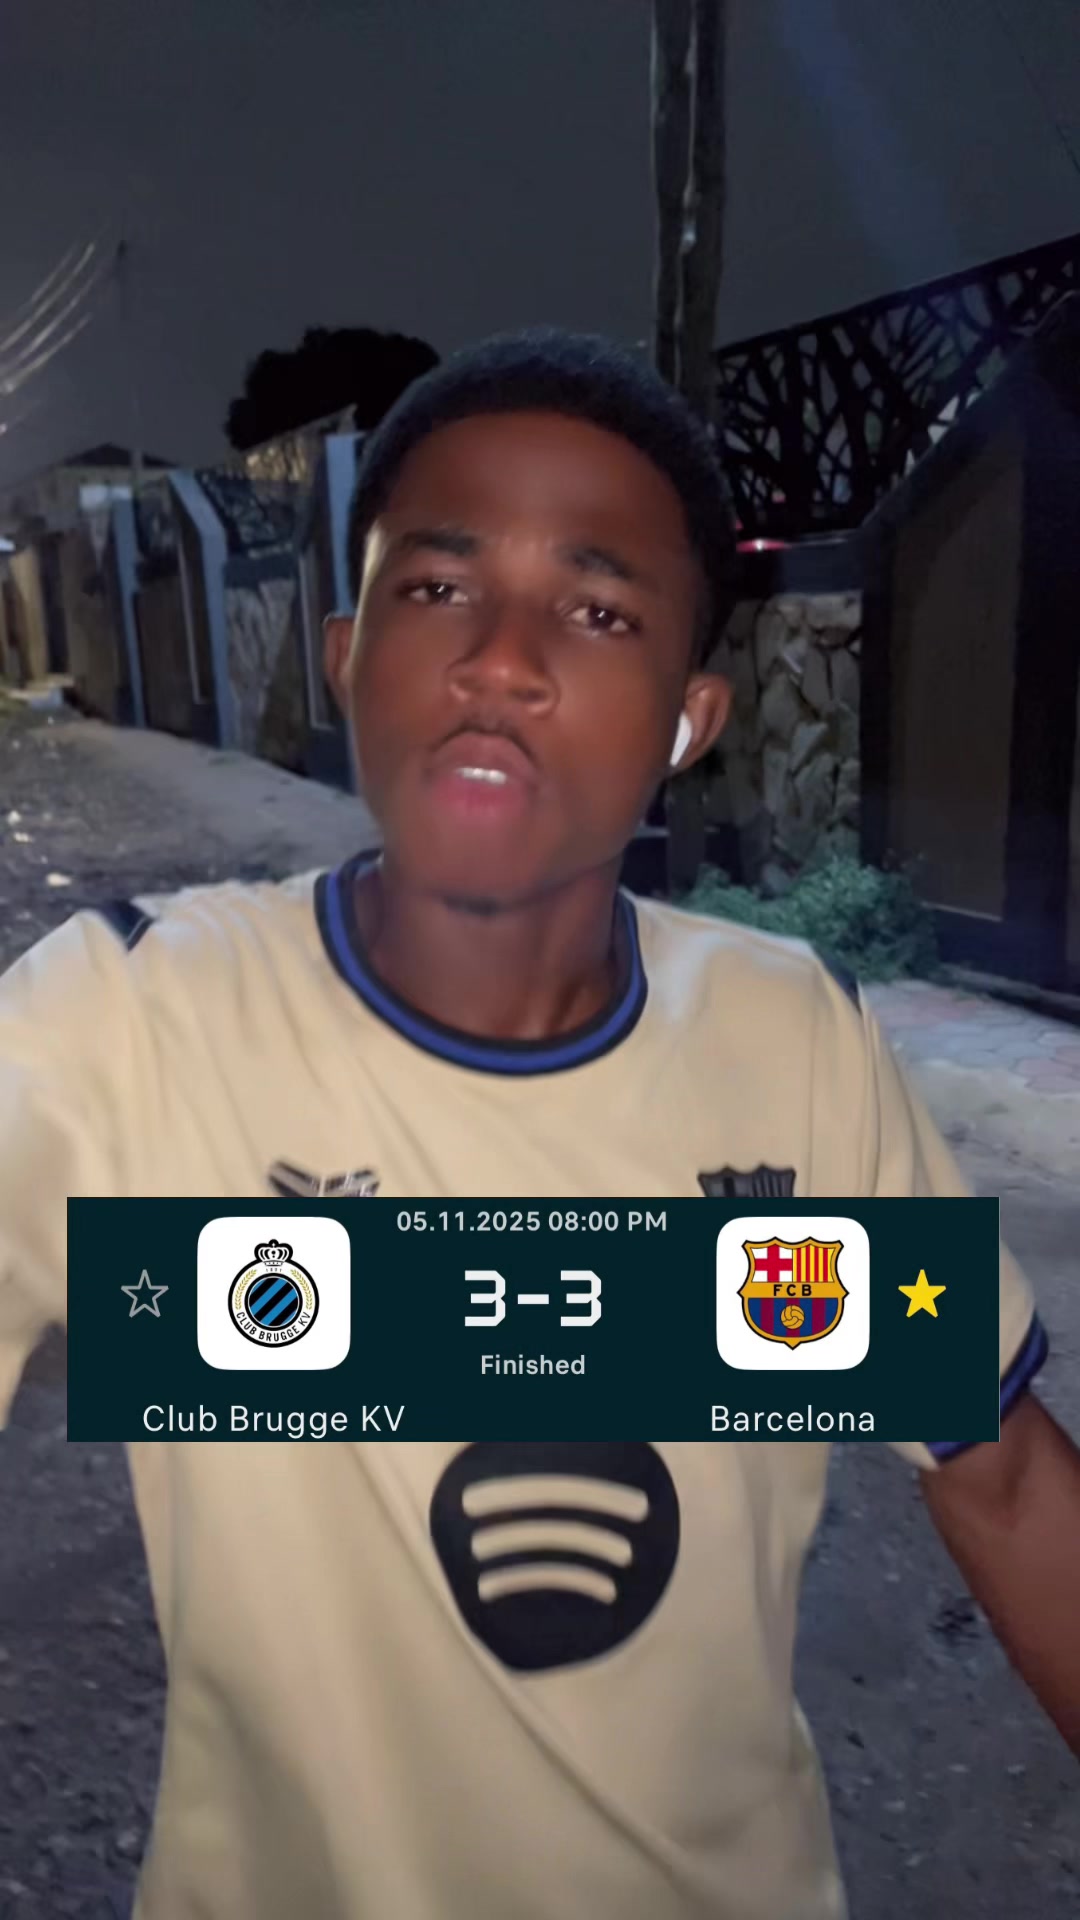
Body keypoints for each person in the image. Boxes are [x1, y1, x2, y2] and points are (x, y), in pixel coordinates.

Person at [1, 328, 1077, 1920]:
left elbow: (1000, 1482)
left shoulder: (793, 1044)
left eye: (597, 608)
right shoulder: (124, 1026)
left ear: (688, 723)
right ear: (350, 654)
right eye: (441, 586)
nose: (502, 659)